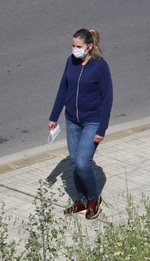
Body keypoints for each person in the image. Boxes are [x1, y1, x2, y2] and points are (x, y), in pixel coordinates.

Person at [48, 28, 114, 220]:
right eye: (73, 46)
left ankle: (94, 199)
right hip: (72, 120)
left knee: (83, 163)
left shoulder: (100, 66)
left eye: (78, 46)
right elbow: (63, 89)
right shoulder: (71, 62)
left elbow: (107, 99)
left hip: (93, 121)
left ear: (89, 46)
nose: (74, 50)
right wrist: (53, 117)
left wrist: (101, 129)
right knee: (75, 162)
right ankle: (80, 201)